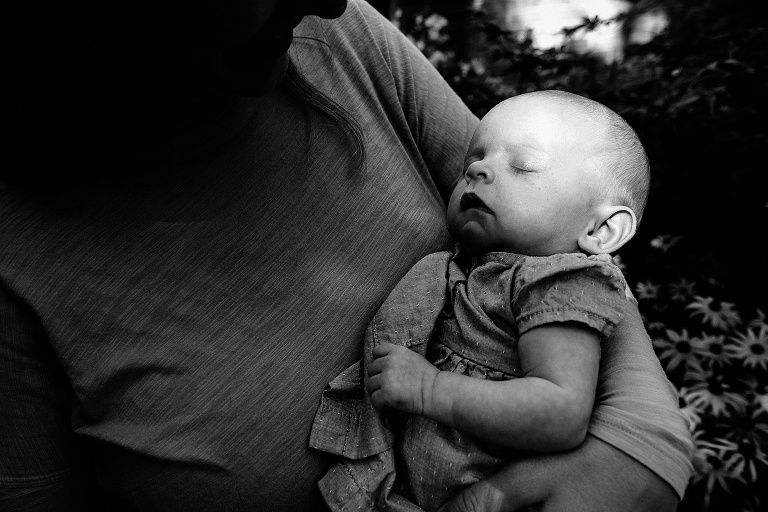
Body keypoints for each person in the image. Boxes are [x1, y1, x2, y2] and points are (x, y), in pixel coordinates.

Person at [0, 1, 691, 511]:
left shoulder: (344, 42)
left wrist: (640, 453)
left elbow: (565, 255)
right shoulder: (19, 252)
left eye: (518, 165)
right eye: (476, 161)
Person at [311, 90, 654, 511]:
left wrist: (430, 387)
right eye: (471, 162)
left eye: (522, 166)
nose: (477, 170)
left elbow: (561, 413)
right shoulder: (474, 269)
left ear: (602, 231)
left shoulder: (556, 282)